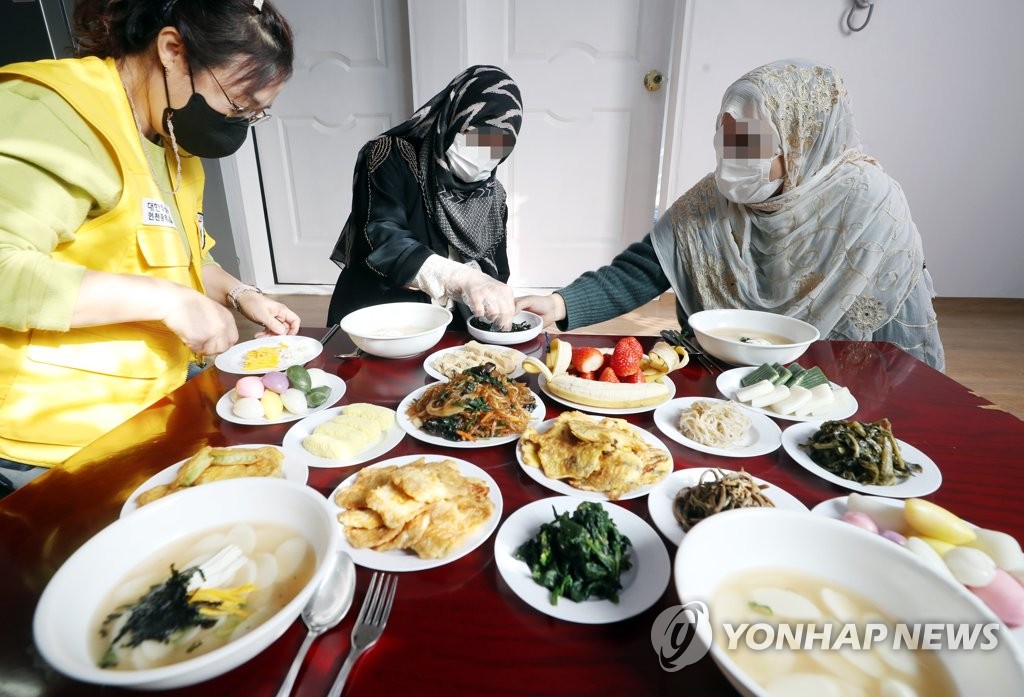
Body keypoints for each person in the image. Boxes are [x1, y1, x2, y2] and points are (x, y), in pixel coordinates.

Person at [0, 0, 301, 494]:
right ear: (171, 50)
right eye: (237, 105)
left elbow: (186, 260)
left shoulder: (171, 145)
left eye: (255, 115)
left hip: (148, 412)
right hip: (55, 443)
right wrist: (168, 302)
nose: (237, 123)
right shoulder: (56, 113)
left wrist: (243, 294)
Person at [517, 59, 945, 371]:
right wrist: (560, 303)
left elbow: (900, 346)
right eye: (726, 136)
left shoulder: (870, 205)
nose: (732, 158)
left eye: (752, 144)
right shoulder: (714, 197)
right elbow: (645, 268)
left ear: (801, 145)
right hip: (717, 370)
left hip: (826, 389)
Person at [327, 64, 523, 330]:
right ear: (454, 118)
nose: (483, 155)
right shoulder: (391, 156)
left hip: (455, 328)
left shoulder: (492, 195)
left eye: (498, 146)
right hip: (383, 319)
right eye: (476, 136)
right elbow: (383, 237)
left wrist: (494, 302)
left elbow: (497, 273)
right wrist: (462, 278)